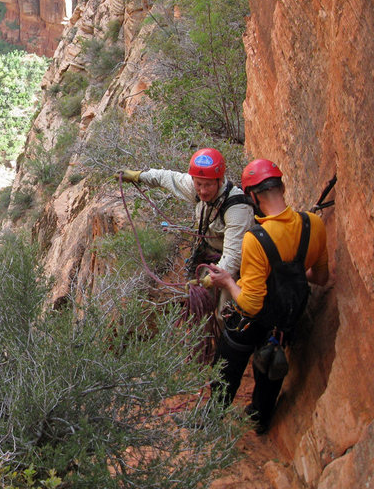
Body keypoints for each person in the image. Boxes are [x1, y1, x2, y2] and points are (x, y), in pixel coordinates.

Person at [206, 159, 329, 433]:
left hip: (251, 320)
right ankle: (260, 420)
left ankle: (211, 418)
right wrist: (291, 276)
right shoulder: (314, 224)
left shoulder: (256, 238)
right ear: (282, 187)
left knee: (228, 363)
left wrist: (227, 281)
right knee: (269, 364)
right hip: (284, 321)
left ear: (252, 197)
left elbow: (250, 302)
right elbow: (320, 277)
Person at [118, 147, 255, 279]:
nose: (203, 191)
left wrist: (210, 279)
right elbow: (166, 177)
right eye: (198, 184)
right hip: (210, 254)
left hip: (235, 267)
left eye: (208, 185)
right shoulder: (196, 187)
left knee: (220, 298)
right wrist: (138, 176)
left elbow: (234, 257)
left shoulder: (237, 209)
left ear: (220, 181)